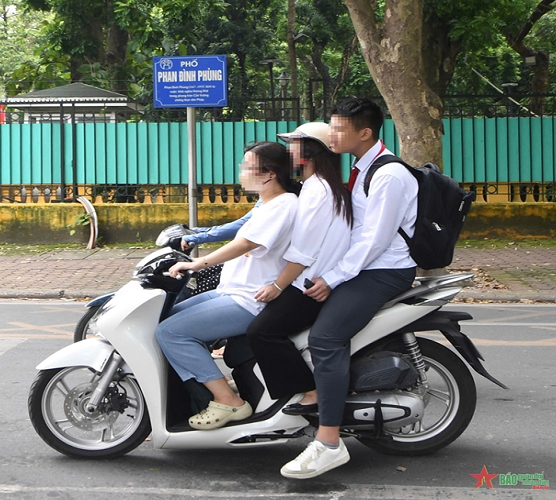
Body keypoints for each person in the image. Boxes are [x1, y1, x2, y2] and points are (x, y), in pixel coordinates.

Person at [279, 97, 418, 479]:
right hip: (363, 266)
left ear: (364, 133)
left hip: (384, 271)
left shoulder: (388, 175)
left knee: (325, 339)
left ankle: (328, 442)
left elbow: (374, 240)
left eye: (339, 129)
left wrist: (333, 277)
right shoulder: (362, 168)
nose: (332, 134)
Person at [156, 141, 300, 430]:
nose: (241, 171)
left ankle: (229, 402)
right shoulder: (267, 203)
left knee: (170, 332)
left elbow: (245, 243)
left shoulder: (283, 204)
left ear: (269, 173)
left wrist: (198, 263)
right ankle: (204, 386)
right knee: (166, 318)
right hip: (231, 292)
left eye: (247, 166)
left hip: (249, 300)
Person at [244, 122, 352, 408]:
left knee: (261, 332)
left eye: (293, 147)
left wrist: (277, 286)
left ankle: (310, 392)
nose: (288, 154)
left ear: (308, 153)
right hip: (315, 280)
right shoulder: (319, 186)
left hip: (310, 286)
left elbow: (303, 253)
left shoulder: (317, 191)